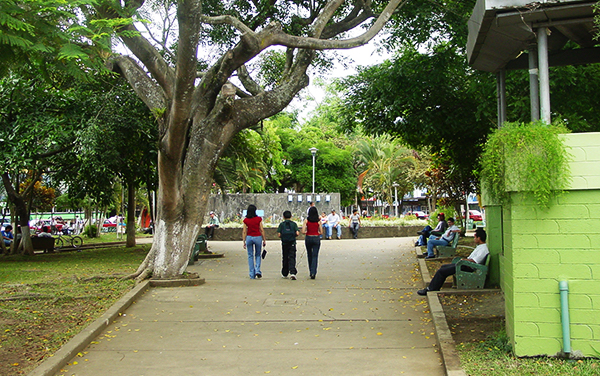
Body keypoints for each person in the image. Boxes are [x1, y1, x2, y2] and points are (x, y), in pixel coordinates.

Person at [418, 228, 489, 295]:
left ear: (479, 238)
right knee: (443, 267)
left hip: (468, 266)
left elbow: (475, 261)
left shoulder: (483, 249)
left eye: (475, 237)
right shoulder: (480, 246)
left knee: (442, 271)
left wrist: (463, 260)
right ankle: (434, 287)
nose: (474, 239)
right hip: (465, 264)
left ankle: (430, 288)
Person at [242, 204, 266, 279]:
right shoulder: (258, 219)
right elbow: (261, 229)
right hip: (257, 237)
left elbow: (244, 231)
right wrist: (264, 239)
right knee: (258, 254)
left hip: (249, 237)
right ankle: (257, 270)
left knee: (250, 255)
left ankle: (252, 274)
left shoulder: (246, 220)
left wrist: (244, 241)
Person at [277, 210, 299, 280]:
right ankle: (292, 272)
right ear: (291, 216)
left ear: (283, 217)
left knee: (285, 257)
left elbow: (279, 234)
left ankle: (285, 272)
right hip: (292, 243)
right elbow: (297, 233)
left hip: (284, 243)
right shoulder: (294, 224)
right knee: (292, 257)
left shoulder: (282, 224)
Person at [302, 206, 323, 279]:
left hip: (308, 238)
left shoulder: (306, 220)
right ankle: (313, 272)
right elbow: (321, 231)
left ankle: (310, 270)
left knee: (309, 254)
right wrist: (317, 232)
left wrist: (307, 232)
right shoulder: (318, 221)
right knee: (315, 255)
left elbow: (303, 231)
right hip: (316, 238)